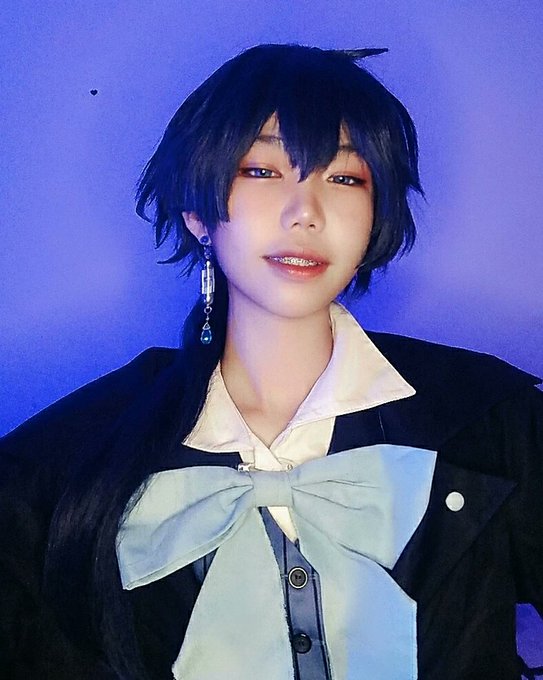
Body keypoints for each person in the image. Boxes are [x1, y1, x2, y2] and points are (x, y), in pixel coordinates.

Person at [0, 43, 541, 680]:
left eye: (345, 178)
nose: (305, 213)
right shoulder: (63, 464)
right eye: (261, 171)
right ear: (197, 212)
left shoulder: (493, 422)